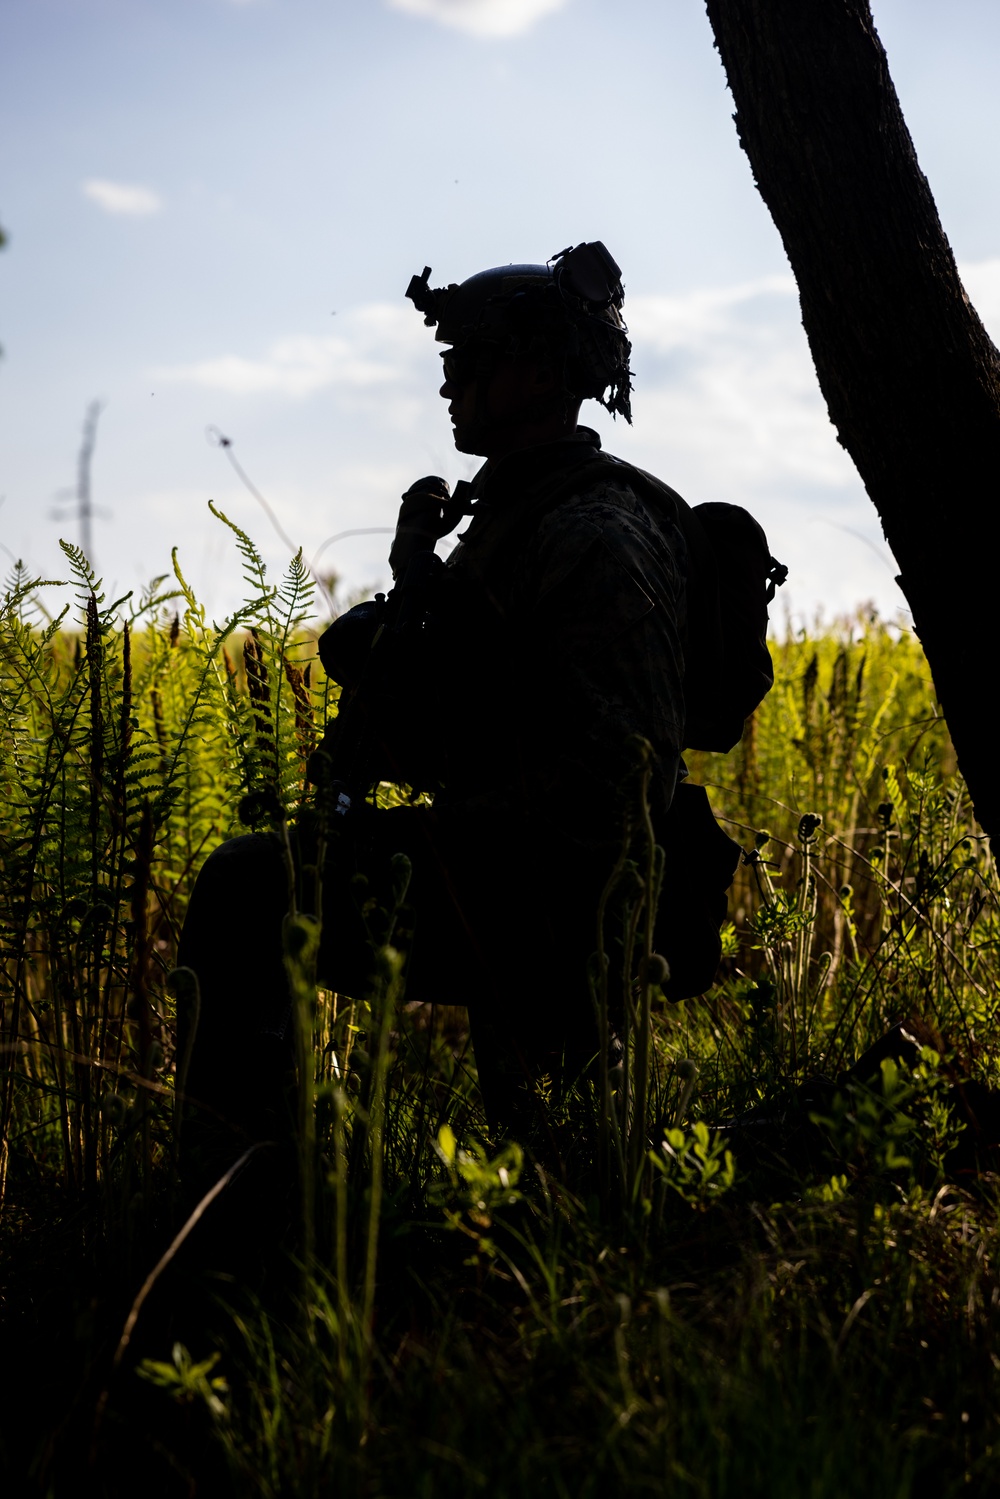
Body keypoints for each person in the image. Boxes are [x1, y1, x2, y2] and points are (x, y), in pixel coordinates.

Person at [176, 242, 746, 1182]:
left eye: (468, 361)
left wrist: (446, 812)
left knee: (249, 890)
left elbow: (610, 772)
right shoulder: (523, 514)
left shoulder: (593, 531)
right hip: (525, 871)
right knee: (559, 1168)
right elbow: (496, 702)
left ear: (537, 372)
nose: (449, 386)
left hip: (556, 892)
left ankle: (241, 1203)